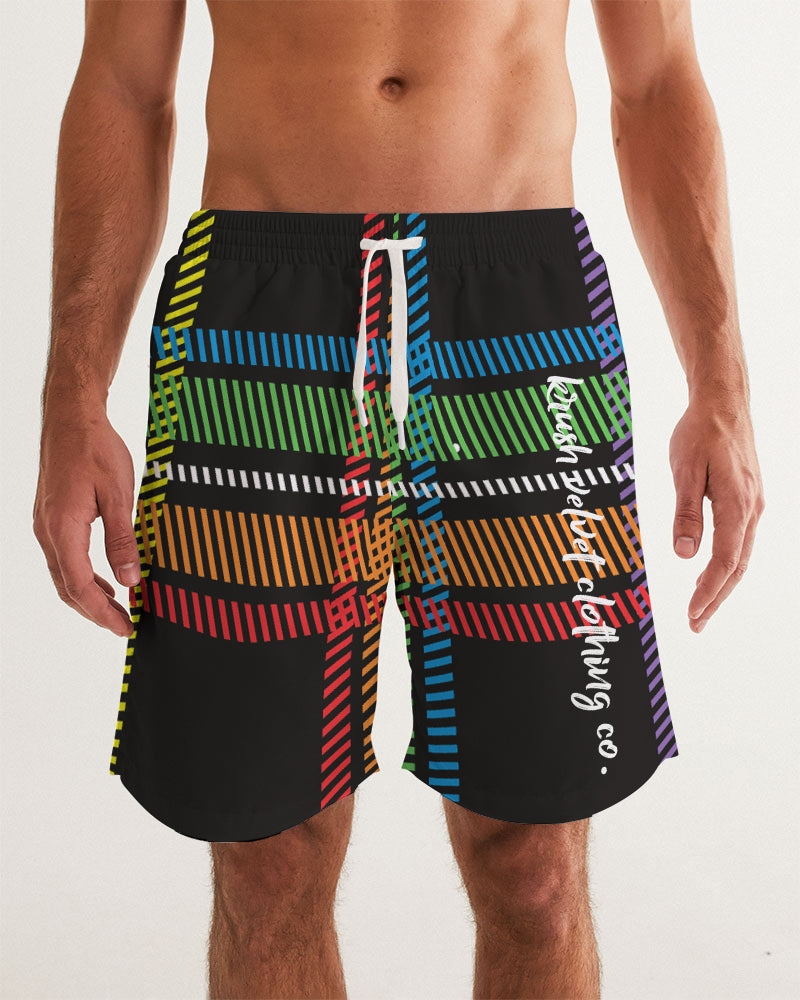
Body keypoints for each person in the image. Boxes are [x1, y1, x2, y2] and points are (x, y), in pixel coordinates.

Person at [32, 1, 765, 997]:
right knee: (265, 859)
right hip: (256, 314)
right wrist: (72, 393)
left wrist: (720, 382)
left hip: (521, 315)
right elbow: (123, 85)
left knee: (536, 865)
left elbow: (657, 78)